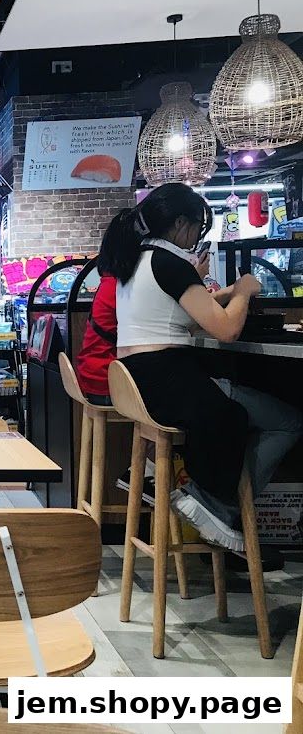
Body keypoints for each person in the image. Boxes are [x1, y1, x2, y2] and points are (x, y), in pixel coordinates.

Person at [101, 182, 302, 552]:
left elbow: (188, 316)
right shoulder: (171, 264)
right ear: (181, 223)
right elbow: (225, 330)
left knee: (247, 411)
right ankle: (214, 502)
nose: (196, 236)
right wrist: (242, 291)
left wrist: (228, 294)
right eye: (196, 227)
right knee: (288, 421)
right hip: (171, 382)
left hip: (146, 384)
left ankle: (208, 499)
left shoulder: (139, 262)